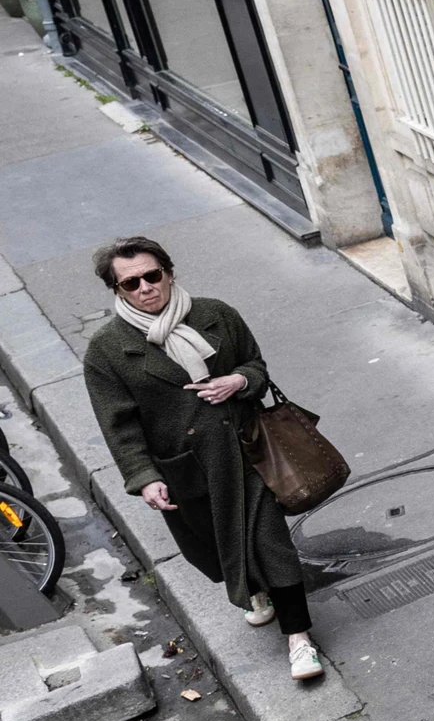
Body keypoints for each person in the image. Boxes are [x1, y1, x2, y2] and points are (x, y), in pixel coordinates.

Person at [82, 237, 321, 681]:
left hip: (248, 448)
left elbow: (256, 365)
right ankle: (255, 589)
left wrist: (238, 381)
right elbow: (119, 424)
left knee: (271, 540)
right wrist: (144, 476)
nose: (145, 288)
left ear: (169, 273)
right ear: (117, 290)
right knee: (213, 547)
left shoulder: (216, 314)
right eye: (131, 283)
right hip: (186, 467)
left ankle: (299, 638)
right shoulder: (107, 349)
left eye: (152, 275)